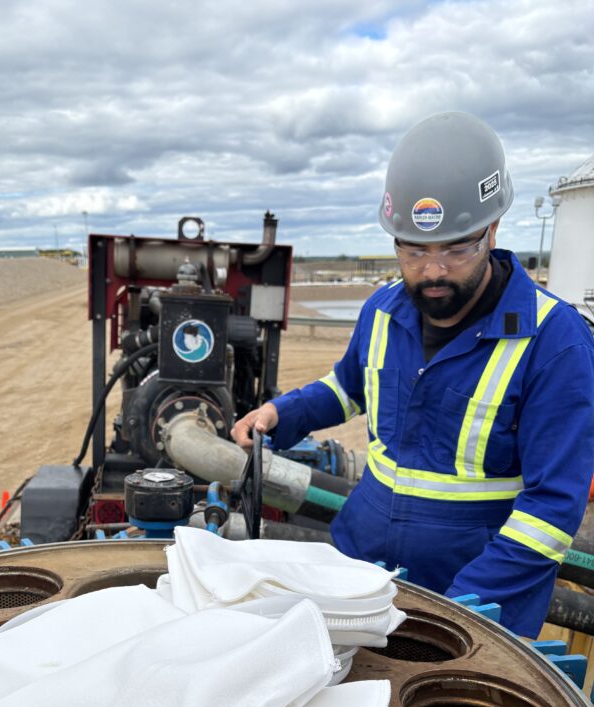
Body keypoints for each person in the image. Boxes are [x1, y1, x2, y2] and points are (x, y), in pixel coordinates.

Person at [231, 111, 594, 637]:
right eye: (414, 249)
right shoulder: (382, 310)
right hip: (363, 572)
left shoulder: (553, 340)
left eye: (456, 248)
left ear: (492, 230)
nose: (433, 270)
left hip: (476, 605)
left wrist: (467, 607)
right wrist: (279, 414)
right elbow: (348, 387)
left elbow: (552, 508)